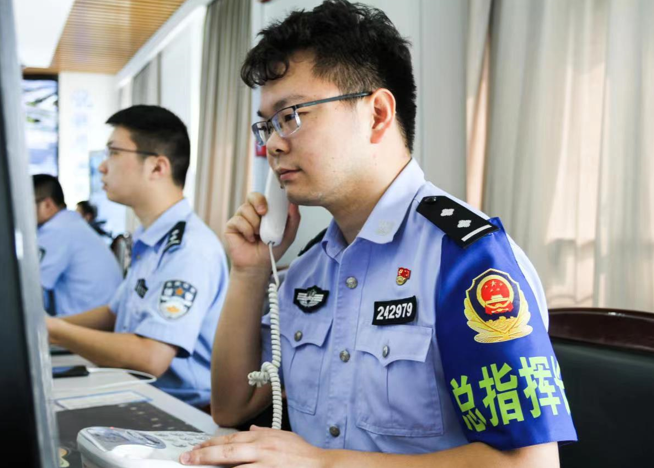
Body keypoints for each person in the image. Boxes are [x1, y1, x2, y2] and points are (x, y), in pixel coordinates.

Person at [187, 1, 577, 466]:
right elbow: (231, 407)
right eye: (267, 124)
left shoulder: (465, 260)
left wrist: (325, 463)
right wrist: (249, 274)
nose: (272, 143)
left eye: (291, 115)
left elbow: (529, 463)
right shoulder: (309, 268)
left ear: (376, 114)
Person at [45, 106, 228, 408]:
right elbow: (113, 313)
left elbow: (151, 357)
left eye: (114, 153)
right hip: (139, 392)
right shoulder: (151, 237)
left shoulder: (189, 248)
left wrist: (55, 331)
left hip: (183, 409)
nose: (103, 167)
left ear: (157, 167)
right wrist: (44, 327)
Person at [34, 174, 122, 317]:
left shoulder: (56, 230)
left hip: (87, 322)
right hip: (100, 317)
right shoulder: (70, 223)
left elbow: (31, 285)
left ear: (47, 205)